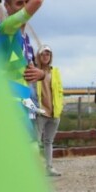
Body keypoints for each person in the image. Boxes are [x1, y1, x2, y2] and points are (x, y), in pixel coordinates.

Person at [0, 0, 80, 192]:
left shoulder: (23, 39)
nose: (25, 7)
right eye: (19, 3)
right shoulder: (6, 27)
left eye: (26, 1)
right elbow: (39, 3)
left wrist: (41, 75)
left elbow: (28, 71)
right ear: (7, 7)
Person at [35, 44, 64, 176]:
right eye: (43, 54)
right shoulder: (34, 70)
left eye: (48, 54)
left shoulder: (55, 72)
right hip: (40, 112)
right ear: (38, 56)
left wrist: (60, 107)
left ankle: (49, 167)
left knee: (49, 141)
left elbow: (60, 91)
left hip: (54, 112)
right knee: (35, 141)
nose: (45, 56)